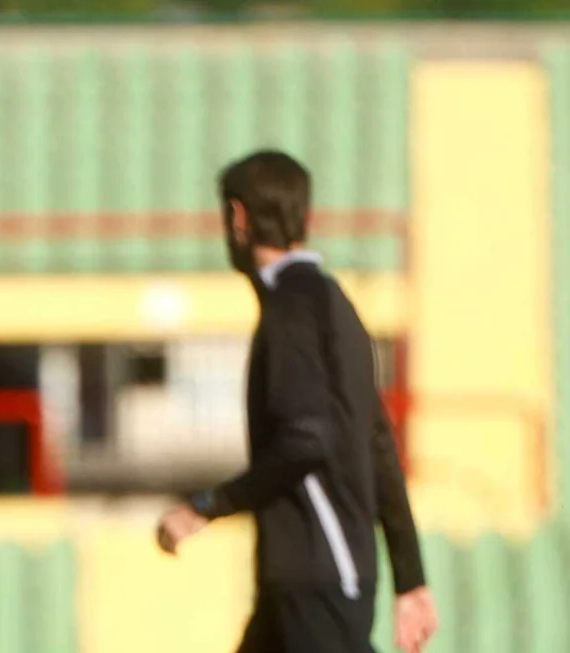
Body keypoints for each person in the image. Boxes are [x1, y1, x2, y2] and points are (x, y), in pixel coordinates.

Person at [156, 151, 439, 653]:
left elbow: (306, 439)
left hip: (313, 574)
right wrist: (409, 577)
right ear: (304, 218)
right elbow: (378, 441)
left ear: (238, 218)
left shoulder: (289, 311)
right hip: (316, 575)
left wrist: (207, 506)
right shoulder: (335, 303)